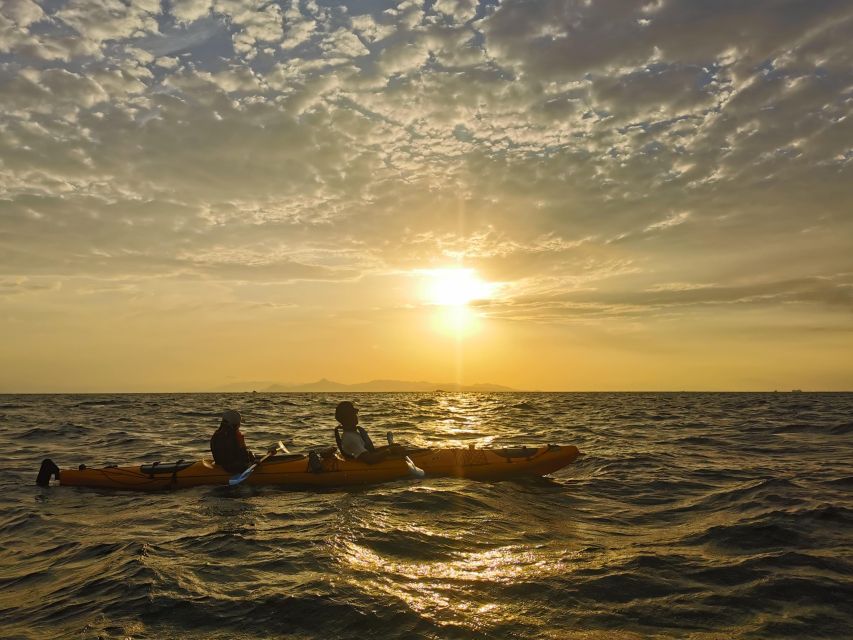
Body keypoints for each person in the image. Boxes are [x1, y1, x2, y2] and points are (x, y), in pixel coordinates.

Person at [334, 401, 403, 464]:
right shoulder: (350, 438)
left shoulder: (353, 433)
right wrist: (389, 451)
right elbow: (370, 460)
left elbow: (371, 452)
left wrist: (389, 447)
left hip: (368, 459)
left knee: (397, 447)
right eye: (353, 414)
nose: (356, 416)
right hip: (365, 468)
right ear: (347, 418)